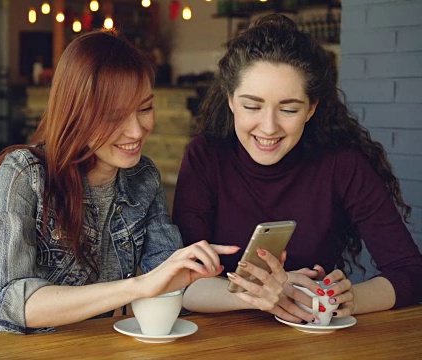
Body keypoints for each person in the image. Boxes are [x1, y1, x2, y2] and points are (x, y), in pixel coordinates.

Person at [0, 29, 239, 335]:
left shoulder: (142, 178)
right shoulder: (25, 173)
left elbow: (178, 282)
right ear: (76, 113)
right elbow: (14, 303)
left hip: (89, 346)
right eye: (114, 117)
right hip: (7, 348)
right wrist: (138, 286)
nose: (137, 131)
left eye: (145, 109)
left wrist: (258, 294)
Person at [173, 14, 422, 325]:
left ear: (311, 108)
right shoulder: (206, 157)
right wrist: (271, 294)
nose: (269, 127)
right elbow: (182, 284)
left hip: (311, 339)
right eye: (252, 106)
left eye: (289, 109)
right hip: (221, 342)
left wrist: (346, 300)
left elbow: (410, 271)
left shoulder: (342, 164)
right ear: (231, 100)